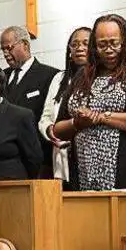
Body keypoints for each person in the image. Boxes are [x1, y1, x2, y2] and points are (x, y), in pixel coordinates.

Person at [52, 14, 126, 191]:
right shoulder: (82, 76)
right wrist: (77, 123)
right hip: (86, 178)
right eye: (102, 45)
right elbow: (58, 129)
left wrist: (103, 118)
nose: (108, 50)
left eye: (114, 43)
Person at [0, 26, 57, 176]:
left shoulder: (50, 75)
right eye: (2, 49)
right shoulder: (0, 78)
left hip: (39, 160)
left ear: (25, 44)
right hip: (7, 162)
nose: (5, 53)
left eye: (9, 48)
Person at [39, 27, 91, 184]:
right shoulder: (59, 78)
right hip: (61, 152)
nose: (79, 48)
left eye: (85, 43)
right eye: (74, 44)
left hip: (88, 152)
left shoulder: (101, 76)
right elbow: (46, 117)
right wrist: (50, 131)